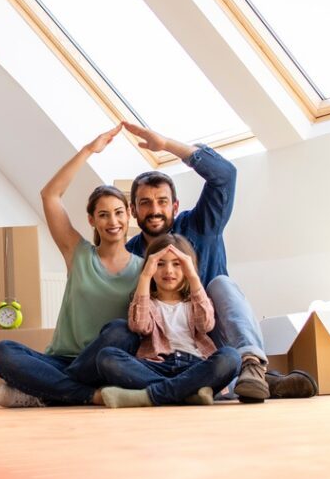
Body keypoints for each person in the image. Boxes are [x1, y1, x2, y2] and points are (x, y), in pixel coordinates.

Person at [121, 121, 317, 402]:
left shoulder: (200, 226)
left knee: (222, 284)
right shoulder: (131, 255)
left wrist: (165, 145)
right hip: (165, 352)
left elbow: (225, 175)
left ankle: (252, 368)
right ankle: (257, 382)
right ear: (133, 211)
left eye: (162, 202)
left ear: (174, 207)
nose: (154, 210)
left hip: (214, 340)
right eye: (145, 203)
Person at [0, 124, 144, 407]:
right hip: (59, 359)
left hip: (103, 363)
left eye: (119, 213)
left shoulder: (143, 269)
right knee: (3, 351)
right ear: (92, 220)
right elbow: (50, 195)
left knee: (122, 331)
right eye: (103, 215)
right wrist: (88, 150)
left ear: (129, 215)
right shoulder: (77, 252)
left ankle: (47, 390)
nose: (113, 222)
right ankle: (87, 395)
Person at [97, 233, 240, 408]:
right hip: (156, 366)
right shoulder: (146, 301)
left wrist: (193, 277)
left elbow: (206, 324)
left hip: (195, 365)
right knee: (107, 357)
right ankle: (187, 393)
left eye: (177, 264)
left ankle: (151, 395)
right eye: (160, 264)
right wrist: (144, 277)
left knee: (231, 357)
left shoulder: (195, 300)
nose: (169, 271)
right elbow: (139, 325)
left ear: (188, 268)